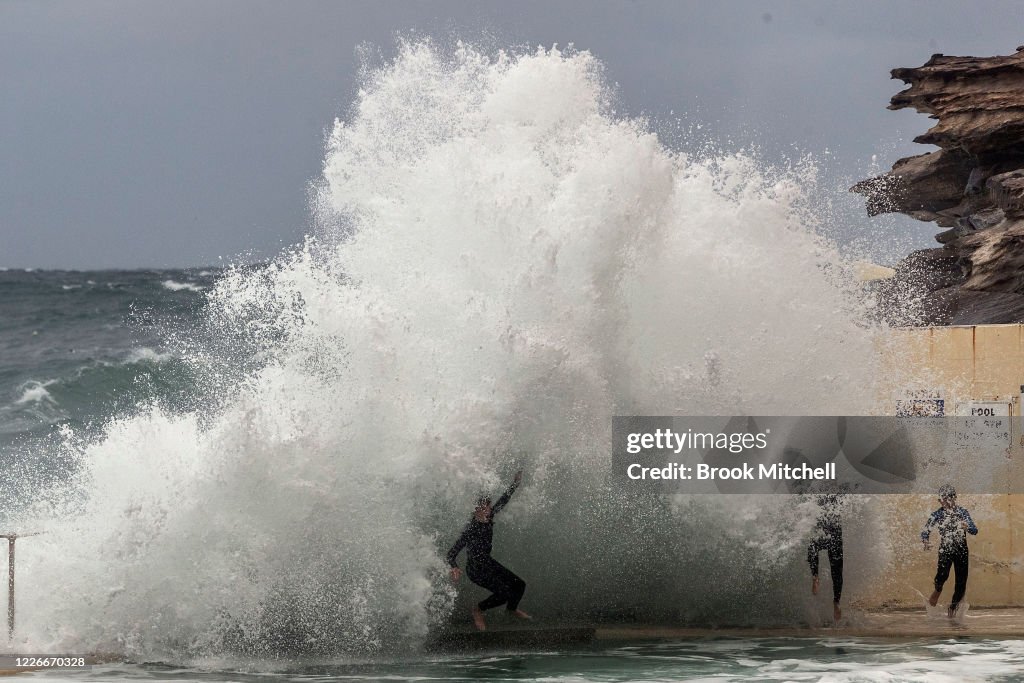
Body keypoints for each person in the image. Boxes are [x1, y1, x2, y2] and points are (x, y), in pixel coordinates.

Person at [446, 470, 530, 631]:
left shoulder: (489, 518)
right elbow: (451, 553)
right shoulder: (470, 529)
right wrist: (454, 566)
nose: (487, 511)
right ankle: (478, 610)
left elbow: (504, 500)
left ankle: (511, 610)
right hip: (475, 569)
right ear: (476, 510)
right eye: (482, 508)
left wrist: (515, 483)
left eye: (488, 507)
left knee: (520, 585)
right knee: (504, 593)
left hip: (488, 564)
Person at [922, 484, 978, 618]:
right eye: (943, 499)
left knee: (961, 583)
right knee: (942, 575)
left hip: (961, 550)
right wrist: (925, 541)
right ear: (940, 500)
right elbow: (926, 530)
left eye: (949, 498)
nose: (946, 502)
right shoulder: (937, 514)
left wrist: (967, 527)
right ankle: (937, 589)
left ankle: (952, 608)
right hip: (945, 549)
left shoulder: (963, 512)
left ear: (954, 498)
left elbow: (975, 530)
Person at [807, 493, 844, 622]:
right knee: (837, 569)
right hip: (835, 532)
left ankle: (815, 575)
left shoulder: (816, 489)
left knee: (813, 546)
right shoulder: (838, 491)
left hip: (821, 529)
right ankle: (836, 601)